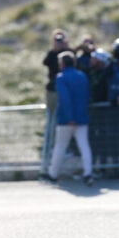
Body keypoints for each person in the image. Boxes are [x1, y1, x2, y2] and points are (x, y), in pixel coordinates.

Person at [42, 50, 93, 186]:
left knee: (60, 146)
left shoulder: (61, 77)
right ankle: (88, 173)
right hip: (82, 117)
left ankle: (53, 174)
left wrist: (69, 117)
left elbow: (65, 99)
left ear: (62, 64)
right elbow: (87, 96)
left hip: (66, 119)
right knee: (84, 146)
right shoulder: (82, 76)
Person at [42, 29, 71, 115]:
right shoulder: (51, 52)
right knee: (51, 113)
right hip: (53, 87)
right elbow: (45, 62)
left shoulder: (68, 51)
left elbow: (74, 61)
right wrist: (54, 50)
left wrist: (67, 48)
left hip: (67, 85)